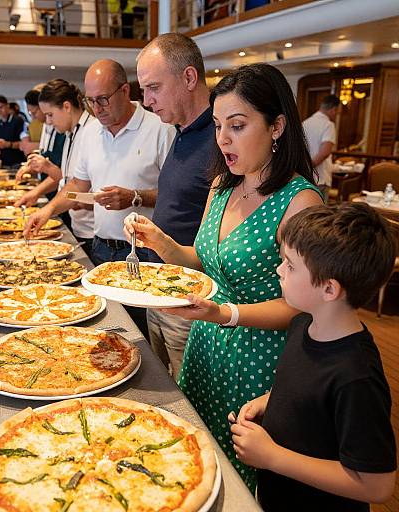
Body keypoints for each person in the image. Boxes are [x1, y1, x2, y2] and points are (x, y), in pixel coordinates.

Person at [124, 63, 323, 490]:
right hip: (206, 346)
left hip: (257, 362)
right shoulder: (222, 184)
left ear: (277, 126)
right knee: (195, 465)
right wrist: (160, 242)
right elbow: (205, 260)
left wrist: (226, 314)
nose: (223, 139)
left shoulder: (300, 201)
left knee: (240, 481)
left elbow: (303, 307)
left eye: (237, 125)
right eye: (217, 126)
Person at [231, 203, 397, 511]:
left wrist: (272, 457)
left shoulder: (356, 376)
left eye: (291, 266)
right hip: (276, 496)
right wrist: (268, 401)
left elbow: (378, 483)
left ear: (330, 289)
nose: (279, 270)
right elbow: (304, 387)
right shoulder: (303, 323)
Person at [24, 59, 175, 267]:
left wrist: (135, 197)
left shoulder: (161, 129)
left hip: (142, 250)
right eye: (90, 101)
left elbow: (175, 196)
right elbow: (78, 185)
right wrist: (47, 210)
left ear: (124, 91)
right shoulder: (90, 132)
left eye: (103, 99)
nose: (97, 109)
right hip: (101, 247)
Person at [136, 32, 214, 378]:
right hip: (159, 289)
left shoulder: (221, 137)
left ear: (188, 77)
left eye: (153, 87)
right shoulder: (181, 130)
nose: (146, 100)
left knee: (188, 401)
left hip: (190, 300)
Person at [16, 79, 95, 255]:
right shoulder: (70, 132)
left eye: (50, 115)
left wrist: (70, 201)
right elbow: (69, 180)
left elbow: (88, 189)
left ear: (66, 106)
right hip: (79, 224)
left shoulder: (93, 131)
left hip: (93, 229)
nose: (48, 122)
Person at [302, 94, 340, 201]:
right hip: (321, 177)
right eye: (337, 112)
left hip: (305, 178)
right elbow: (325, 152)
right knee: (320, 215)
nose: (336, 114)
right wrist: (309, 166)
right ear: (333, 109)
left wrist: (304, 169)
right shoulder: (328, 125)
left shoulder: (305, 123)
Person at [0, 95, 26, 167]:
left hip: (18, 162)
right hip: (4, 163)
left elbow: (24, 143)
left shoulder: (18, 121)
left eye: (1, 107)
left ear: (7, 106)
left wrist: (8, 144)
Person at [19, 89, 45, 155]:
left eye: (34, 112)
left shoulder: (54, 124)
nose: (32, 117)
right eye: (30, 113)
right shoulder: (33, 124)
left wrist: (38, 146)